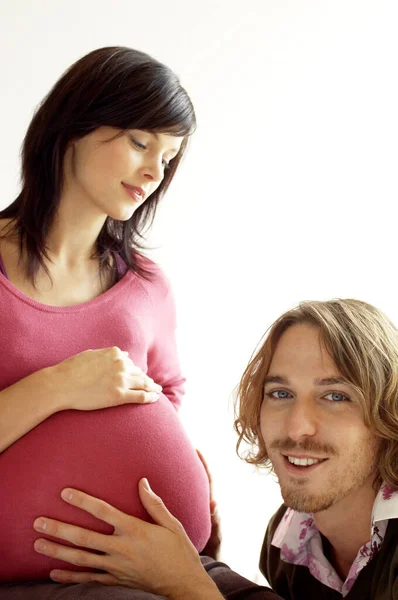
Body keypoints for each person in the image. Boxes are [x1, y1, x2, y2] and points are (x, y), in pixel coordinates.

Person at [0, 46, 212, 593]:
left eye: (167, 158)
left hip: (149, 570)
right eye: (141, 142)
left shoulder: (147, 285)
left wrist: (183, 467)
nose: (153, 171)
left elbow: (167, 394)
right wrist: (58, 385)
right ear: (74, 125)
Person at [30, 299, 398, 599]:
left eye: (335, 396)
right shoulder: (287, 542)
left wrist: (188, 585)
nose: (298, 426)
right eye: (280, 394)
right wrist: (199, 550)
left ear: (389, 412)